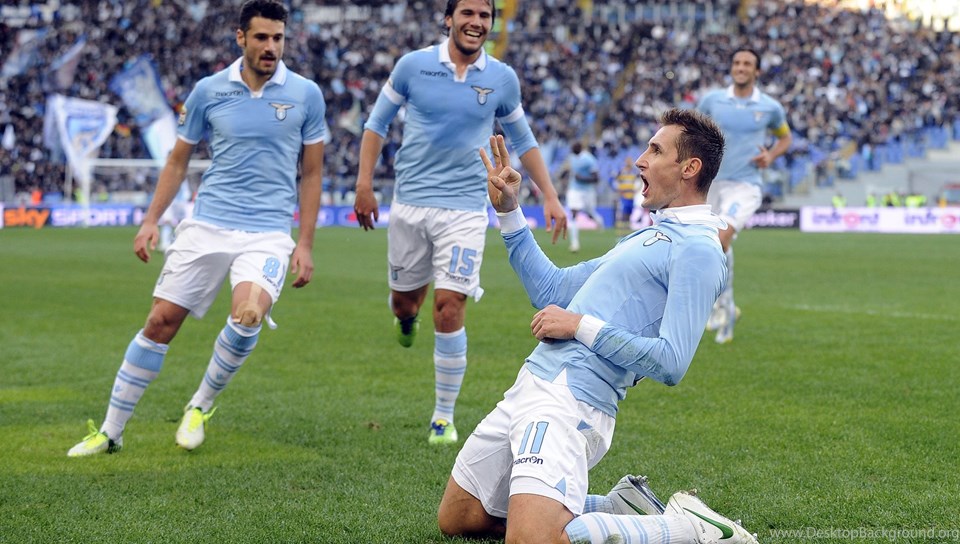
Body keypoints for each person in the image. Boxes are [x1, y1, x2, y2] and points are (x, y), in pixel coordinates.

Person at [437, 110, 758, 544]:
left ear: (689, 168)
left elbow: (672, 362)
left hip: (574, 401)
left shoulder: (699, 249)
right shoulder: (648, 237)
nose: (640, 160)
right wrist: (510, 212)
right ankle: (618, 507)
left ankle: (691, 528)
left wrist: (580, 325)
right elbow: (551, 289)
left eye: (655, 150)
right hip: (533, 383)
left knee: (531, 539)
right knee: (460, 518)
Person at [67, 0, 326, 457]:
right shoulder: (208, 91)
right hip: (207, 223)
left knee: (249, 314)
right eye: (261, 37)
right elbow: (177, 161)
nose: (271, 47)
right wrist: (151, 220)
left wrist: (304, 243)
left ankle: (200, 405)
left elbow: (312, 173)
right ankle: (110, 432)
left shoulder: (306, 94)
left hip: (267, 232)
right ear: (240, 37)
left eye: (278, 38)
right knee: (160, 322)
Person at [353, 0, 567, 445]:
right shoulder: (413, 66)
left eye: (484, 15)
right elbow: (376, 125)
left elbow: (524, 139)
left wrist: (549, 194)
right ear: (448, 19)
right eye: (467, 13)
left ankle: (442, 418)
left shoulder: (501, 78)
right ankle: (405, 318)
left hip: (467, 208)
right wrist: (364, 183)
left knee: (450, 305)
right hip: (410, 204)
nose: (476, 22)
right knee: (404, 303)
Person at [697, 47, 792, 344]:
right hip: (710, 183)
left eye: (747, 63)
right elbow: (692, 132)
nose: (741, 67)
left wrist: (771, 155)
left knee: (721, 237)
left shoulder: (770, 107)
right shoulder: (712, 101)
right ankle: (726, 307)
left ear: (757, 71)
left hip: (746, 185)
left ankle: (719, 307)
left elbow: (785, 137)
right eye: (737, 62)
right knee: (708, 243)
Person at [564, 141, 604, 253]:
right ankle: (574, 243)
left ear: (580, 148)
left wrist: (582, 179)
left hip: (587, 191)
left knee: (590, 213)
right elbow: (572, 171)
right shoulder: (572, 157)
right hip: (574, 190)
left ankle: (599, 221)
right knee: (573, 213)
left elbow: (596, 178)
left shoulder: (589, 159)